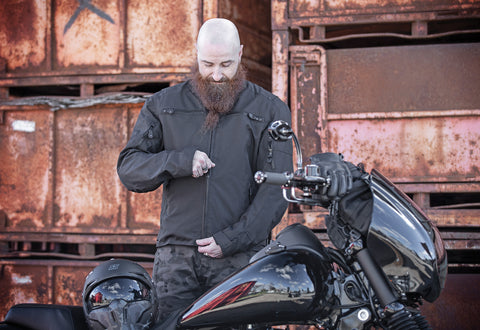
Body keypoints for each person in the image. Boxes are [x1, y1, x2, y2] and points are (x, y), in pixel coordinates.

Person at [117, 18, 293, 326]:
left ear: (240, 53)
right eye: (207, 64)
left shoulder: (270, 109)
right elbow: (130, 169)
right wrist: (179, 161)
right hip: (176, 261)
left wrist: (232, 239)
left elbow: (276, 189)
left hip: (241, 261)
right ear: (196, 55)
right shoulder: (163, 105)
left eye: (226, 64)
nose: (216, 74)